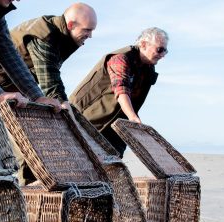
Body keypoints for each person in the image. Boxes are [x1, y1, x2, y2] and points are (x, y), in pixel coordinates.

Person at [0, 2, 97, 185]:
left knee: (29, 153)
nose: (91, 36)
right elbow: (49, 80)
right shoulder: (45, 35)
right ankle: (26, 199)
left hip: (18, 96)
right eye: (88, 30)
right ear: (71, 25)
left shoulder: (61, 36)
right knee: (26, 152)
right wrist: (65, 108)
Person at [70, 27, 169, 156]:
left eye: (165, 51)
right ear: (144, 44)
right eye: (160, 49)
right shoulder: (120, 58)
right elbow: (121, 89)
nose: (162, 55)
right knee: (82, 158)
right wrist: (133, 117)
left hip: (116, 125)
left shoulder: (148, 68)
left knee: (114, 162)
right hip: (87, 119)